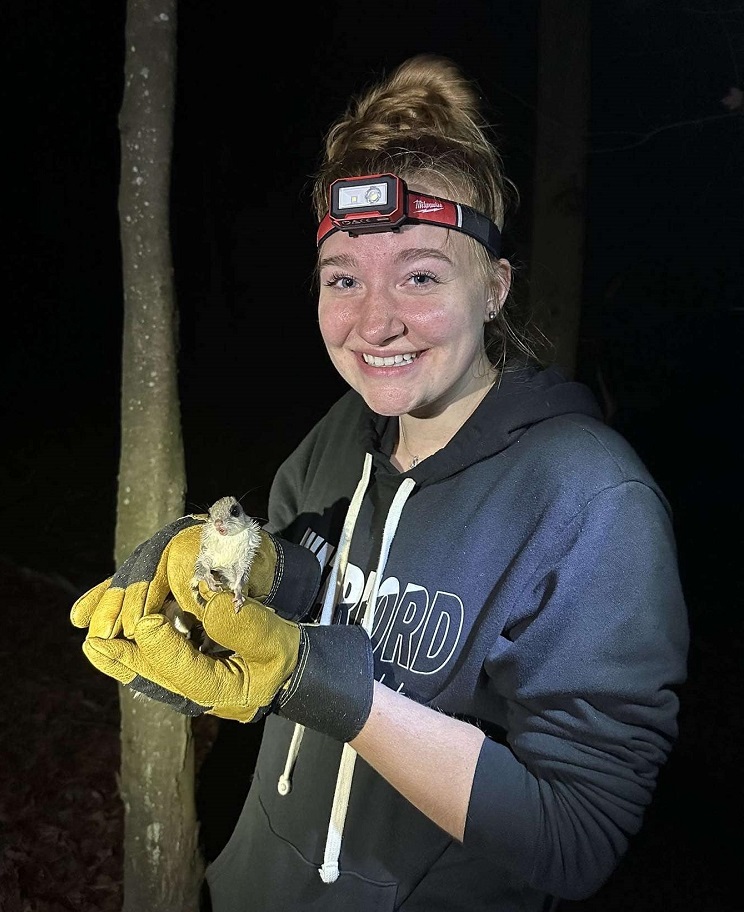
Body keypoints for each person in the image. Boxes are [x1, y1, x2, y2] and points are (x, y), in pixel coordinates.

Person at [71, 54, 689, 911]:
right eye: (344, 279)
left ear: (495, 287)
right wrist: (221, 571)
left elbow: (577, 832)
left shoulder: (588, 499)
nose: (375, 319)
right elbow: (312, 578)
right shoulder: (341, 434)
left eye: (422, 275)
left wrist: (312, 681)